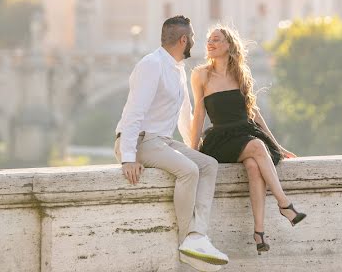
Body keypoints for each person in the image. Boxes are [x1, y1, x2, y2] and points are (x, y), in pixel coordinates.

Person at [114, 15, 228, 271]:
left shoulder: (177, 69)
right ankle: (187, 240)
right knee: (188, 170)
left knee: (207, 164)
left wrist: (192, 148)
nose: (195, 43)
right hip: (140, 141)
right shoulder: (151, 65)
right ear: (183, 40)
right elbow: (134, 114)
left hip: (162, 141)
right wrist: (128, 158)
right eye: (194, 38)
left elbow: (184, 119)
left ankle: (199, 235)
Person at [190, 25, 306, 255]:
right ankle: (284, 204)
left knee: (254, 166)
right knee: (256, 146)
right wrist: (193, 152)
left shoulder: (241, 73)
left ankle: (259, 233)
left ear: (229, 45)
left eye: (216, 39)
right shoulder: (201, 74)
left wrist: (278, 146)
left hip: (246, 131)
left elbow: (254, 113)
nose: (210, 43)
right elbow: (199, 115)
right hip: (221, 138)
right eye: (208, 40)